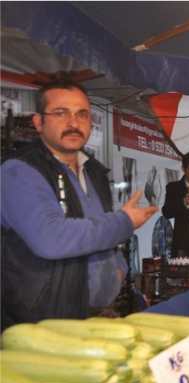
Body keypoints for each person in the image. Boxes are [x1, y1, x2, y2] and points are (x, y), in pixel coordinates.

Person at [1, 78, 157, 327]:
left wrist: (117, 270)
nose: (73, 123)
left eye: (82, 114)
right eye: (60, 113)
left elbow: (96, 227)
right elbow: (51, 239)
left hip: (91, 313)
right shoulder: (18, 172)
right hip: (40, 323)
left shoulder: (94, 172)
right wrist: (124, 222)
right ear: (39, 122)